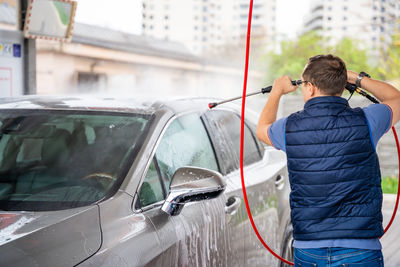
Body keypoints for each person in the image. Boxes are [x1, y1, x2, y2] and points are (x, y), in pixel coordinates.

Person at [256, 54, 400, 266]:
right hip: (360, 250)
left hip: (309, 250)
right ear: (342, 85)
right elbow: (396, 98)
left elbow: (261, 129)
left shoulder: (289, 127)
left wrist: (276, 91)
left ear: (310, 87)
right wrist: (356, 79)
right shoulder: (368, 120)